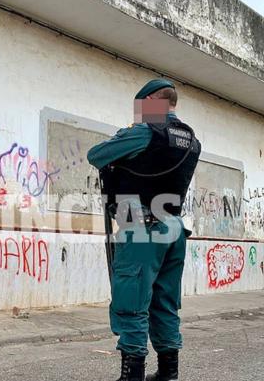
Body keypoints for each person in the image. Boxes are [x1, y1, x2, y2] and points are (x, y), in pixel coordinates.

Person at [87, 79, 201, 381]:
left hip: (142, 226)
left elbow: (96, 155)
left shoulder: (146, 131)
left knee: (131, 300)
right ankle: (168, 372)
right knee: (164, 302)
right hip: (175, 228)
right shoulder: (190, 139)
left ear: (151, 101)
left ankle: (132, 374)